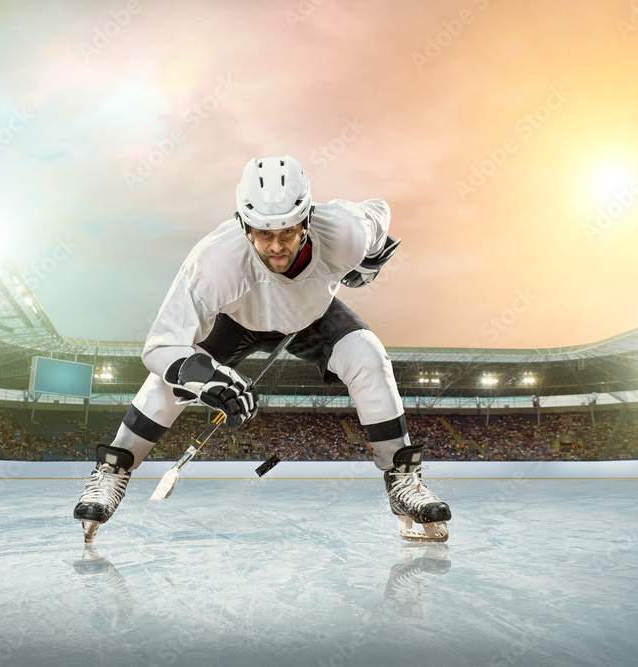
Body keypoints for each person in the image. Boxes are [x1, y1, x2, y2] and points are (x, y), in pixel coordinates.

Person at [74, 155, 451, 542]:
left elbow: (379, 211)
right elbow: (160, 346)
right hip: (237, 320)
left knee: (368, 356)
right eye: (262, 233)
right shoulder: (214, 261)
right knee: (169, 382)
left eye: (287, 232)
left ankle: (404, 482)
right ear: (242, 225)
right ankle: (111, 473)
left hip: (313, 316)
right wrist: (208, 380)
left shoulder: (345, 231)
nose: (275, 247)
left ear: (307, 219)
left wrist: (368, 258)